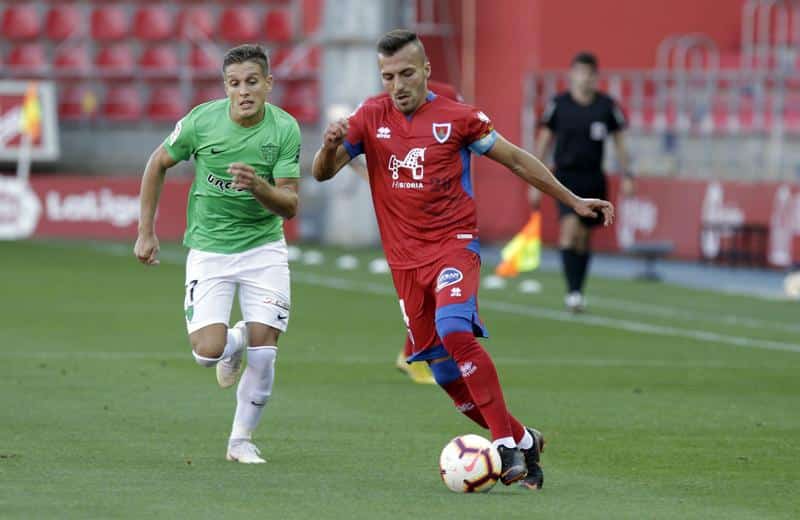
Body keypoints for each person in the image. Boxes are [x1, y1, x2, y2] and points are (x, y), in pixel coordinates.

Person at [312, 29, 614, 489]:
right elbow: (323, 173)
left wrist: (572, 200)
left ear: (427, 70)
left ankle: (504, 448)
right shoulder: (370, 116)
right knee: (446, 374)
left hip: (454, 246)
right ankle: (524, 440)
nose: (398, 84)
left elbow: (515, 159)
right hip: (405, 265)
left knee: (456, 329)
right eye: (388, 75)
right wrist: (330, 145)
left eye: (407, 73)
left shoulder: (458, 117)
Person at [134, 44, 301, 464]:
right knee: (206, 353)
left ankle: (240, 441)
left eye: (251, 82)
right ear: (225, 87)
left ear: (268, 83)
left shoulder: (284, 129)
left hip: (263, 247)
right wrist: (145, 232)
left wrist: (259, 186)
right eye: (234, 83)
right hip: (209, 249)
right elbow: (157, 163)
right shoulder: (201, 122)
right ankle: (236, 338)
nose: (243, 91)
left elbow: (290, 204)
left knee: (265, 355)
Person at [349, 79, 463, 386]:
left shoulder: (448, 96)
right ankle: (416, 355)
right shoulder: (374, 106)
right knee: (426, 292)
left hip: (442, 217)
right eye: (390, 73)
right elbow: (345, 151)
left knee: (441, 292)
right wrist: (375, 179)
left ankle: (413, 354)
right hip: (403, 221)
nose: (398, 80)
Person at [533, 52, 633, 312]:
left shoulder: (606, 106)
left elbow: (620, 142)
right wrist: (533, 178)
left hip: (593, 178)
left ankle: (578, 289)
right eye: (580, 72)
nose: (584, 78)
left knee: (584, 237)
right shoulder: (559, 104)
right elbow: (544, 140)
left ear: (595, 77)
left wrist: (627, 175)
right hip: (565, 177)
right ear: (572, 75)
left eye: (589, 73)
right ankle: (572, 293)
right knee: (570, 230)